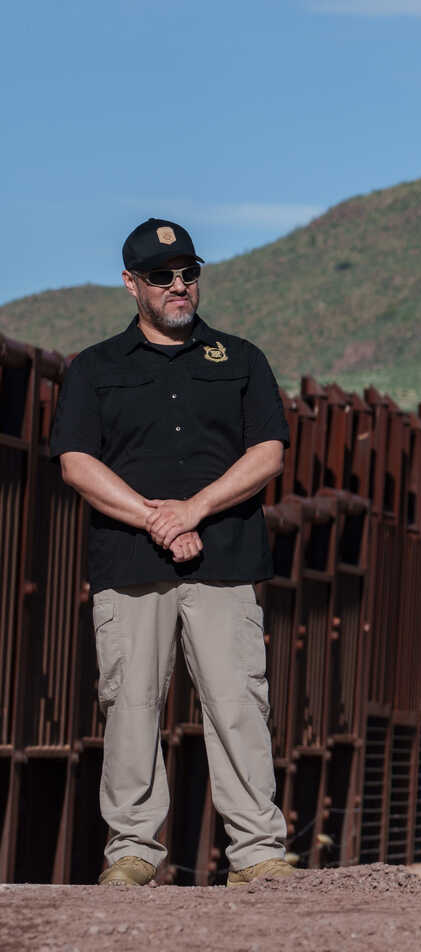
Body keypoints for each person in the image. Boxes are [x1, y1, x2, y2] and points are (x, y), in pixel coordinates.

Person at [50, 218, 295, 886]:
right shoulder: (95, 369)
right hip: (129, 567)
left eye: (188, 272)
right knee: (130, 704)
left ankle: (257, 854)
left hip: (226, 560)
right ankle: (132, 850)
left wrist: (195, 509)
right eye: (161, 277)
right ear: (132, 284)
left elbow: (268, 452)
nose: (178, 285)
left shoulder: (242, 359)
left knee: (239, 702)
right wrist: (156, 521)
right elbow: (75, 462)